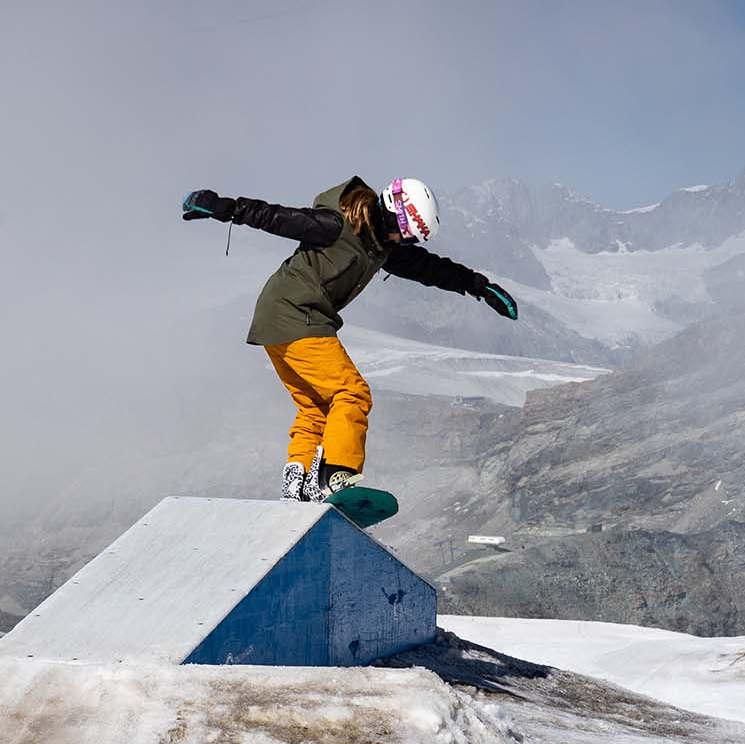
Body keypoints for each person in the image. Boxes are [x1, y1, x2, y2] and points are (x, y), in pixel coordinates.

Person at [180, 177, 518, 502]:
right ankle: (335, 475)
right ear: (391, 212)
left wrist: (477, 285)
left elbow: (430, 268)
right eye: (405, 233)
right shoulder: (335, 225)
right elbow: (276, 217)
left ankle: (297, 484)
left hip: (278, 319)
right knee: (351, 392)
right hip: (296, 313)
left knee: (315, 408)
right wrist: (223, 207)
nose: (404, 242)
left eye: (411, 239)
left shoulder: (381, 244)